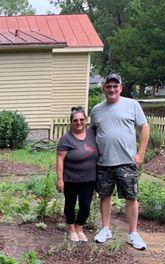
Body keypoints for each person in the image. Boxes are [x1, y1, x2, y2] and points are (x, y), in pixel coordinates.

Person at [90, 73, 150, 250]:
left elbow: (144, 127)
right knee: (104, 196)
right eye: (108, 86)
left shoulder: (132, 105)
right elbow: (91, 132)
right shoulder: (97, 110)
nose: (112, 89)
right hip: (104, 162)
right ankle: (106, 229)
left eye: (115, 86)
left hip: (126, 162)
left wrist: (140, 153)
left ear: (121, 88)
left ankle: (132, 234)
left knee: (131, 197)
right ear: (104, 89)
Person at [56, 106, 98, 242]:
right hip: (71, 179)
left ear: (86, 120)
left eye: (81, 119)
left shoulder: (92, 133)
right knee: (70, 203)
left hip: (89, 178)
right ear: (71, 122)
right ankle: (71, 229)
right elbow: (60, 160)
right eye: (75, 120)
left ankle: (79, 227)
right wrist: (60, 179)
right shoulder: (66, 139)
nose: (78, 122)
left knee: (85, 205)